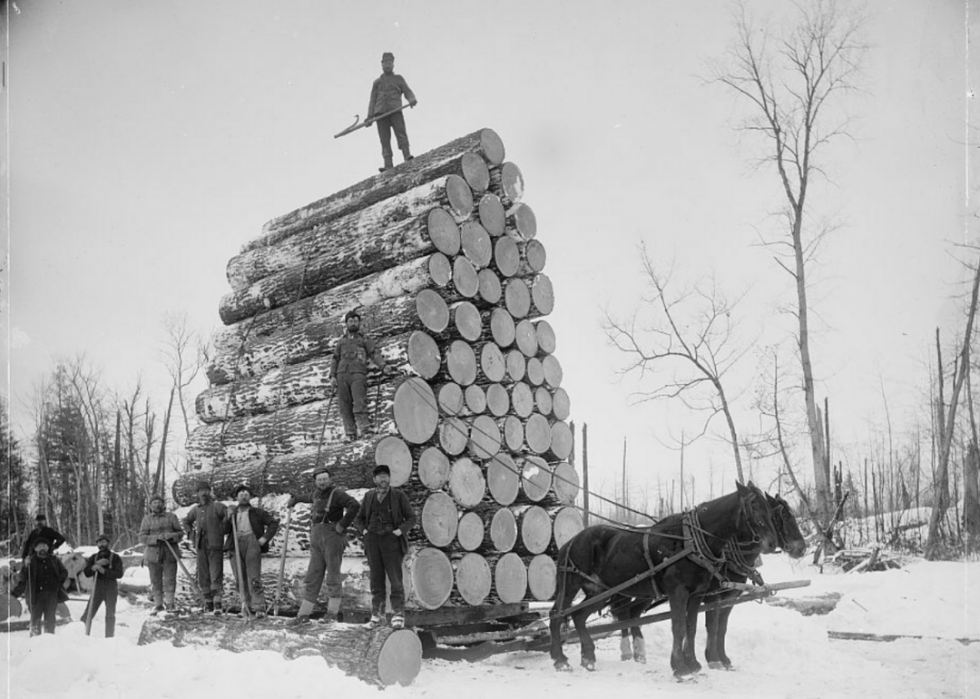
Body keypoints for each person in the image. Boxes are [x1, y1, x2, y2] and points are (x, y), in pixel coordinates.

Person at [286, 465, 360, 625]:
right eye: (319, 480)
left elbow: (354, 505)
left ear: (330, 479)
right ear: (315, 482)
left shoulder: (338, 493)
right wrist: (295, 499)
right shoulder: (316, 494)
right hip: (317, 538)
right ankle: (303, 615)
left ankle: (332, 614)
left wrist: (342, 525)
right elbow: (306, 497)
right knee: (313, 575)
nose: (322, 482)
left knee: (333, 575)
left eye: (325, 479)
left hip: (332, 537)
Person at [353, 464, 416, 629]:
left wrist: (399, 531)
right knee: (376, 581)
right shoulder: (368, 497)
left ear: (389, 478)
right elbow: (358, 518)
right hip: (373, 542)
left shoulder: (398, 496)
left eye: (385, 476)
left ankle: (398, 615)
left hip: (391, 542)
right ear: (374, 479)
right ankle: (377, 616)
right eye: (380, 476)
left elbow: (411, 518)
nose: (383, 479)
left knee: (395, 580)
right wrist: (365, 531)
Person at [333, 309, 393, 441]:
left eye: (356, 321)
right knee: (344, 405)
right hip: (342, 374)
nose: (353, 323)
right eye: (350, 321)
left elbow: (374, 353)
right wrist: (333, 376)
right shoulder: (341, 342)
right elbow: (335, 358)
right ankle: (350, 433)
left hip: (358, 374)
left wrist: (383, 366)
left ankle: (365, 429)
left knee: (359, 402)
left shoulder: (365, 339)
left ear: (359, 323)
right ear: (346, 324)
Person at [226, 484, 280, 619]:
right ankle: (245, 606)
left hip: (252, 543)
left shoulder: (257, 512)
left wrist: (264, 539)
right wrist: (227, 517)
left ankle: (259, 607)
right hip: (235, 545)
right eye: (241, 494)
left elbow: (273, 523)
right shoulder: (233, 512)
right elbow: (224, 530)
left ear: (250, 497)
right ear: (236, 497)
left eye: (246, 494)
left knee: (253, 577)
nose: (244, 497)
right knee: (240, 578)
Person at [366, 51, 417, 172]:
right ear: (382, 64)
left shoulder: (398, 79)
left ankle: (407, 156)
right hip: (380, 114)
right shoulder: (377, 83)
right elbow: (372, 100)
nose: (387, 65)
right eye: (385, 63)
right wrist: (369, 117)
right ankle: (388, 164)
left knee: (401, 133)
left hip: (395, 111)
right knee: (384, 139)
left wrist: (411, 99)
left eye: (390, 63)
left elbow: (407, 91)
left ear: (393, 64)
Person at [182, 480, 228, 614]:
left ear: (210, 492)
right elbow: (186, 521)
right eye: (201, 491)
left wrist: (227, 516)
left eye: (206, 490)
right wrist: (191, 535)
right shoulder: (196, 510)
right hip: (201, 546)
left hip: (215, 545)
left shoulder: (217, 506)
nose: (204, 493)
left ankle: (217, 603)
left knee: (216, 574)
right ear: (197, 493)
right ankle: (208, 602)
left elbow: (227, 512)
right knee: (203, 575)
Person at [11, 537, 69, 636]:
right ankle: (35, 640)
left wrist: (58, 582)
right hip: (36, 595)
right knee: (35, 619)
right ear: (35, 548)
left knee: (50, 619)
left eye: (44, 546)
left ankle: (49, 638)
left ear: (47, 548)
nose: (42, 548)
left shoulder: (54, 560)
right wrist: (25, 566)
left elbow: (64, 572)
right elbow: (22, 577)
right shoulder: (30, 561)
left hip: (51, 595)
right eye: (39, 546)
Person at [138, 493, 184, 614]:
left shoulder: (171, 517)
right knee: (155, 579)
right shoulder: (147, 519)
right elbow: (142, 537)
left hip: (170, 553)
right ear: (150, 506)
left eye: (159, 502)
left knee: (170, 579)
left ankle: (170, 603)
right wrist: (156, 538)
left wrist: (170, 536)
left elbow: (180, 534)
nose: (157, 505)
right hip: (153, 555)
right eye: (154, 503)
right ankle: (158, 604)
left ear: (163, 504)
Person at [81, 533, 124, 637]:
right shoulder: (93, 558)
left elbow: (119, 574)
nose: (101, 544)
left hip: (110, 589)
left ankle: (109, 639)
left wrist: (103, 570)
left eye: (104, 542)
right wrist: (93, 568)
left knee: (110, 615)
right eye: (99, 542)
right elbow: (86, 573)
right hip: (97, 588)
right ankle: (83, 636)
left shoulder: (115, 557)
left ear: (108, 543)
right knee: (87, 615)